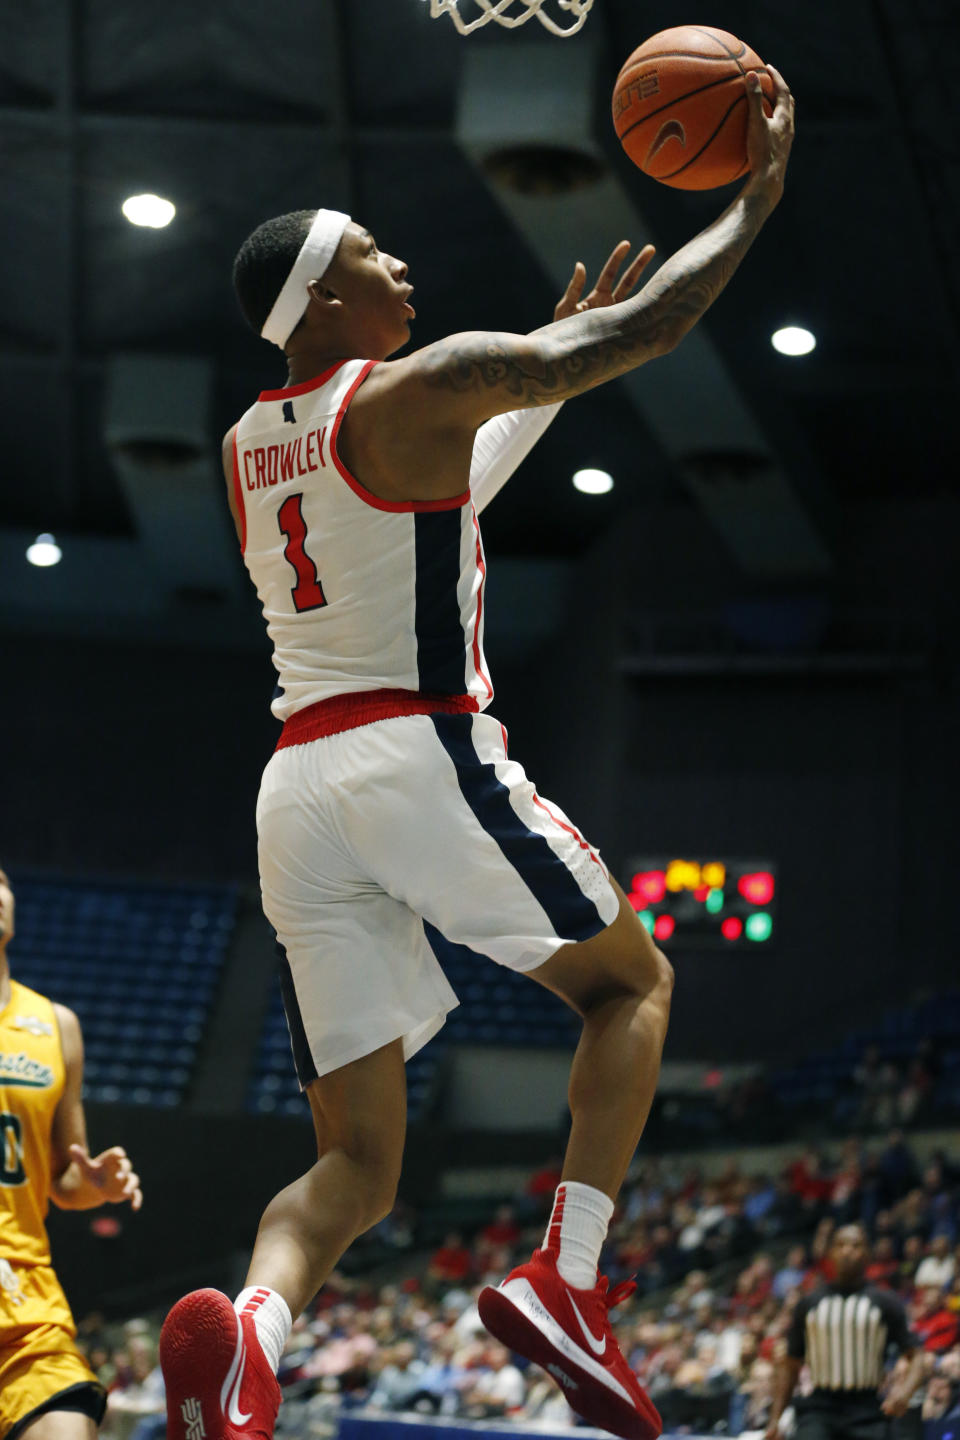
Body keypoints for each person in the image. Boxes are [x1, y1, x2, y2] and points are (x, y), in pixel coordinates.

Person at [159, 65, 795, 1440]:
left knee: (358, 1163)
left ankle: (251, 1338)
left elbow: (424, 498)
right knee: (632, 986)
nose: (406, 269)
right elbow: (643, 328)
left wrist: (527, 392)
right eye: (378, 257)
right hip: (414, 753)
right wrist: (747, 210)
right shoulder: (419, 381)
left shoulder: (248, 441)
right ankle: (566, 1282)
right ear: (326, 298)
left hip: (298, 794)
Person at [0, 865, 143, 1440]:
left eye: (2, 881)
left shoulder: (56, 1026)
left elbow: (64, 1178)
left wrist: (98, 1186)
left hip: (25, 1307)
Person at [764, 1225, 928, 1440]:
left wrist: (904, 1393)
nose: (847, 1251)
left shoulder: (886, 1302)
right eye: (840, 1245)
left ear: (867, 1254)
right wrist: (775, 1419)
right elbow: (791, 1364)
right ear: (830, 1252)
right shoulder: (809, 1303)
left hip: (868, 1409)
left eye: (855, 1245)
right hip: (819, 1408)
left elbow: (916, 1356)